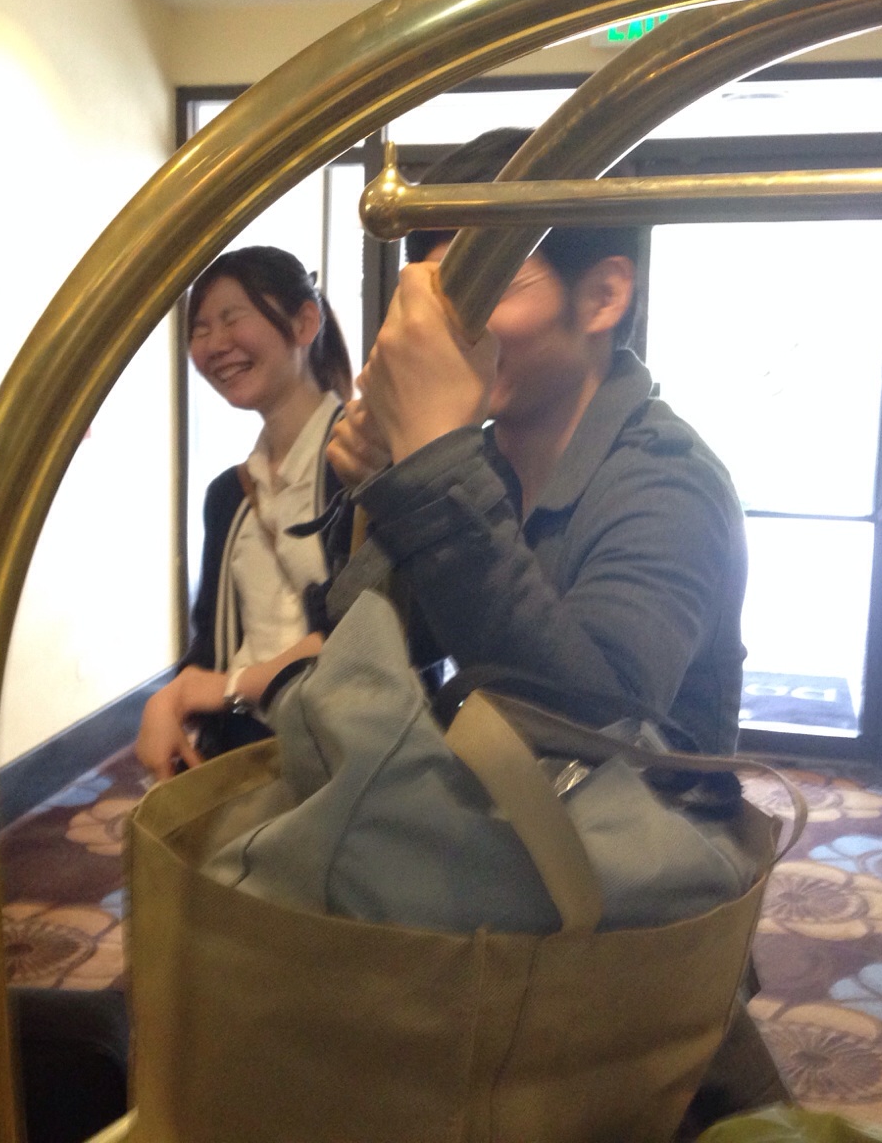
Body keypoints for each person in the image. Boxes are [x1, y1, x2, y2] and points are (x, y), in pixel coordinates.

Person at [327, 128, 780, 1127]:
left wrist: (432, 467)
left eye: (490, 284)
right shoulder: (481, 454)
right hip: (505, 880)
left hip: (644, 922)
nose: (451, 327)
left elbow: (592, 719)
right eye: (435, 293)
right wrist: (383, 487)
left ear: (603, 297)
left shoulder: (669, 482)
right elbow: (369, 656)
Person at [134, 246, 354, 782]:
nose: (214, 344)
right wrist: (170, 700)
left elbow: (369, 631)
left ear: (304, 323)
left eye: (233, 318)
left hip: (345, 756)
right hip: (249, 754)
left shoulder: (363, 463)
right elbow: (211, 647)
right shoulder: (229, 495)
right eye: (201, 329)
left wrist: (225, 687)